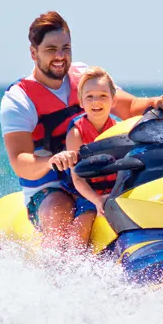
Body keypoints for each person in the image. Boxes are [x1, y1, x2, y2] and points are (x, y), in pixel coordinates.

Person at [0, 11, 163, 251]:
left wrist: (156, 102)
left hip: (97, 175)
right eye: (51, 49)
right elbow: (20, 162)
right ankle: (57, 271)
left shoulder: (85, 78)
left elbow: (129, 107)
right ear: (34, 53)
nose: (60, 56)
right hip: (51, 186)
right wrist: (52, 161)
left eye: (65, 48)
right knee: (59, 211)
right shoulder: (19, 99)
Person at [64, 66, 124, 250]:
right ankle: (74, 261)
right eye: (89, 96)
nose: (96, 101)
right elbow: (77, 179)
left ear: (113, 100)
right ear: (81, 101)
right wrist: (97, 200)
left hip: (115, 191)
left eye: (103, 95)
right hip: (87, 193)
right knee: (85, 220)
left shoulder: (120, 130)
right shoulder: (76, 133)